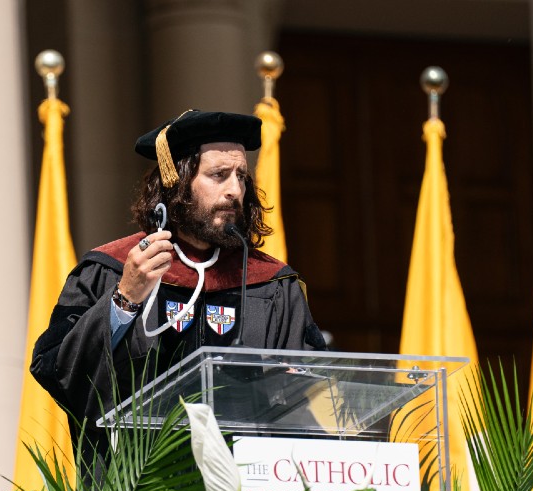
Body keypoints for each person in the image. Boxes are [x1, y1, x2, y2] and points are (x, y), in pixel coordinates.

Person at [31, 109, 326, 457]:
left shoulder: (272, 284)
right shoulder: (111, 270)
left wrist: (298, 379)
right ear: (177, 182)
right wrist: (124, 300)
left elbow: (308, 388)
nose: (236, 190)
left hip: (245, 490)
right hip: (140, 488)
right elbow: (54, 368)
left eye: (242, 177)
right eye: (219, 175)